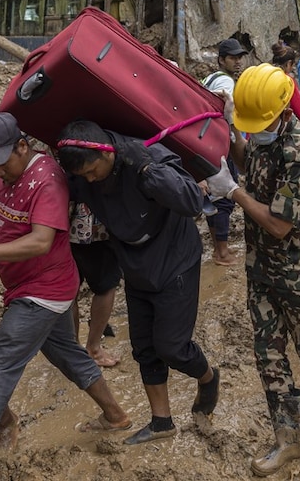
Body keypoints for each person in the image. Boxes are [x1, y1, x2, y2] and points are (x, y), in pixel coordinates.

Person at [0, 113, 130, 481]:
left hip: (45, 291)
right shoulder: (4, 176)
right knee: (67, 354)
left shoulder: (47, 179)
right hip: (29, 288)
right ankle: (116, 415)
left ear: (22, 146)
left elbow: (42, 240)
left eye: (1, 163)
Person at [204, 64, 300, 476]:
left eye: (261, 121)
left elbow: (277, 223)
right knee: (268, 356)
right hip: (262, 269)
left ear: (285, 113)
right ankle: (289, 439)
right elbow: (248, 159)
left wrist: (231, 190)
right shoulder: (263, 132)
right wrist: (231, 127)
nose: (256, 129)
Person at [56, 121, 220, 445]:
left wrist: (147, 169)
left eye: (93, 171)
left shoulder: (145, 157)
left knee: (172, 347)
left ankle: (208, 376)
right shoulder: (81, 172)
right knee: (144, 348)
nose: (89, 180)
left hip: (175, 260)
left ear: (106, 152)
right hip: (134, 265)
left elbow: (191, 202)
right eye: (84, 176)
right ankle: (162, 422)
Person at [201, 38, 247, 266]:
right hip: (221, 146)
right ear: (221, 60)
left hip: (205, 144)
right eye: (233, 58)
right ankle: (222, 252)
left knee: (213, 198)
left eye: (240, 57)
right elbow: (229, 118)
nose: (238, 62)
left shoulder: (209, 79)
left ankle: (217, 249)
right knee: (225, 200)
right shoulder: (226, 83)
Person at [69, 201, 122, 366]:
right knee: (106, 285)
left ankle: (74, 349)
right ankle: (93, 348)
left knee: (68, 288)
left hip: (60, 221)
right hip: (96, 223)